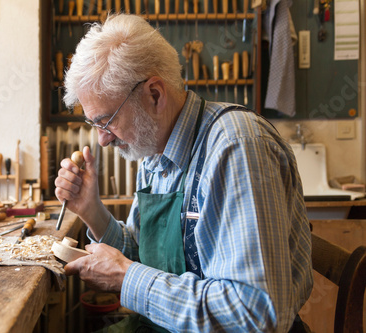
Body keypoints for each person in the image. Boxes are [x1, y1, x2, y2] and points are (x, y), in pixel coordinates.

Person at [55, 14, 313, 332]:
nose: (103, 139)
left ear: (154, 95)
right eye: (95, 124)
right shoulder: (154, 152)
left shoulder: (235, 150)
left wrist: (125, 278)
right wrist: (91, 210)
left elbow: (256, 314)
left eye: (107, 121)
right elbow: (147, 258)